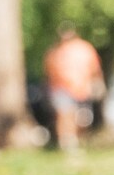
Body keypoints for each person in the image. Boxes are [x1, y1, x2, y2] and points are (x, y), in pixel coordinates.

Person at [42, 25, 105, 153]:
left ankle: (77, 141)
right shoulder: (56, 51)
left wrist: (97, 82)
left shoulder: (84, 48)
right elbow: (48, 72)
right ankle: (68, 143)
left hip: (82, 89)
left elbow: (95, 68)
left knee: (83, 119)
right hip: (61, 89)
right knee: (65, 115)